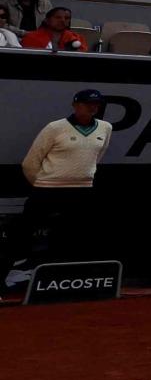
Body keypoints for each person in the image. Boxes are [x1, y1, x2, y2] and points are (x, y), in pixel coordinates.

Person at [15, 88, 114, 275]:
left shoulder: (105, 127)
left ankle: (61, 278)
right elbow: (30, 162)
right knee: (23, 233)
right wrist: (44, 183)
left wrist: (82, 177)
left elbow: (96, 157)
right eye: (87, 103)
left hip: (81, 191)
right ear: (75, 105)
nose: (92, 107)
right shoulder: (55, 127)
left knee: (71, 236)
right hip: (47, 190)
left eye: (96, 104)